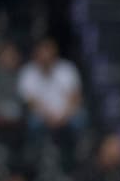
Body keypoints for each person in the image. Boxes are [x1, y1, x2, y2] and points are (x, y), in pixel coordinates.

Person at [18, 37, 83, 167]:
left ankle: (76, 156)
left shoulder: (67, 69)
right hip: (41, 116)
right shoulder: (28, 72)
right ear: (36, 53)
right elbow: (30, 102)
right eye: (42, 52)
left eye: (48, 52)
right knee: (33, 123)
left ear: (55, 53)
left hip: (65, 115)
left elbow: (76, 98)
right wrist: (48, 117)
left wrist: (63, 116)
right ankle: (34, 158)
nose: (45, 56)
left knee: (80, 120)